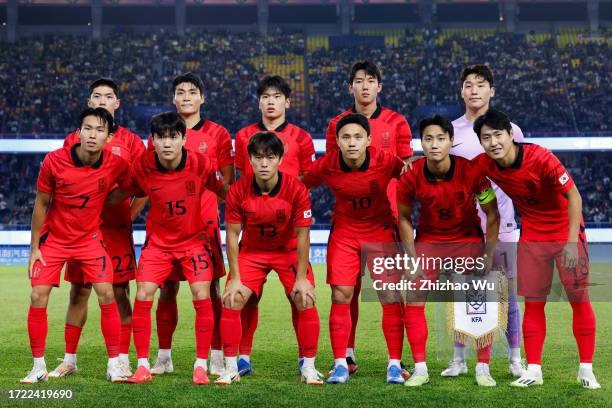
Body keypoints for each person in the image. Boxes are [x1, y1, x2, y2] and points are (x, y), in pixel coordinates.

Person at [473, 109, 599, 389]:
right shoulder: (484, 165)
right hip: (532, 236)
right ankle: (534, 370)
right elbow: (457, 172)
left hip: (565, 231)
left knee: (578, 298)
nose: (493, 142)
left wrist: (570, 243)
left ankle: (586, 370)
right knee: (533, 302)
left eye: (497, 135)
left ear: (510, 135)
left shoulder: (540, 157)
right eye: (486, 137)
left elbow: (574, 195)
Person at [109, 111, 229, 385]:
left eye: (173, 137)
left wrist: (248, 209)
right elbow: (121, 193)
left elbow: (225, 192)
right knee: (144, 294)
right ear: (152, 140)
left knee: (203, 293)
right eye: (160, 137)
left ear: (183, 139)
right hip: (159, 243)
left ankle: (201, 365)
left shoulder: (201, 164)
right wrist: (93, 201)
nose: (166, 143)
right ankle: (142, 366)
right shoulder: (142, 166)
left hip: (194, 241)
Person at [21, 108, 130, 384]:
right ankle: (38, 367)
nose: (93, 135)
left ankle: (114, 364)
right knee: (37, 296)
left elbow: (134, 185)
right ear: (78, 132)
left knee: (108, 293)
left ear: (109, 136)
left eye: (100, 130)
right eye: (88, 128)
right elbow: (41, 203)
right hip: (54, 240)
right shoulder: (54, 161)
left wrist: (107, 199)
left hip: (89, 240)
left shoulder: (115, 164)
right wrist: (34, 248)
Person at [50, 78, 146, 379]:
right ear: (90, 103)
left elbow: (143, 186)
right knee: (78, 293)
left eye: (109, 96)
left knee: (120, 293)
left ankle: (120, 360)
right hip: (80, 233)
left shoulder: (131, 142)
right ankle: (69, 359)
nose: (103, 100)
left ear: (117, 103)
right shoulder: (72, 141)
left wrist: (127, 216)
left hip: (115, 231)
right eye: (97, 96)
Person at [302, 113, 406, 384]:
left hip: (381, 231)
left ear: (369, 140)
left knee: (390, 295)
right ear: (336, 141)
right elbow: (300, 184)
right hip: (345, 233)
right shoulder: (327, 165)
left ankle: (394, 363)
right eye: (346, 137)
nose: (352, 143)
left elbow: (412, 176)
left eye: (358, 137)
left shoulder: (385, 161)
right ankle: (340, 363)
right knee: (341, 295)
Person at [397, 115, 500, 387]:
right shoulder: (411, 175)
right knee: (414, 300)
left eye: (441, 139)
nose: (434, 145)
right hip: (429, 241)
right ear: (421, 143)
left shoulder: (471, 172)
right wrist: (411, 258)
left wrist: (488, 253)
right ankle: (420, 369)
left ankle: (482, 367)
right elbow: (404, 218)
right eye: (428, 139)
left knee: (479, 302)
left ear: (451, 141)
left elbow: (492, 213)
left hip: (467, 240)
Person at [325, 60, 413, 374]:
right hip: (347, 223)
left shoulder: (397, 122)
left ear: (379, 86)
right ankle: (346, 356)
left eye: (371, 80)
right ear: (350, 87)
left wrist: (404, 221)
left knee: (390, 292)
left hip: (384, 223)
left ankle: (395, 361)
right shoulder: (337, 123)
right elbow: (333, 171)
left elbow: (407, 172)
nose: (365, 86)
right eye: (359, 81)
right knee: (346, 291)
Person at [217, 132, 322, 385]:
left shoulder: (296, 189)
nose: (264, 163)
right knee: (233, 297)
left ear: (280, 159)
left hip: (287, 250)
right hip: (252, 251)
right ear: (249, 160)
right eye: (258, 157)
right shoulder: (238, 191)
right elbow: (232, 236)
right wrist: (235, 278)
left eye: (270, 157)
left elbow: (303, 235)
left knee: (304, 296)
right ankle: (231, 366)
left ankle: (308, 366)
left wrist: (301, 278)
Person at [148, 72, 235, 377]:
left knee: (209, 289)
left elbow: (227, 182)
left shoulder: (218, 134)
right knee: (166, 290)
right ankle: (164, 356)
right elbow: (152, 177)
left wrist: (205, 210)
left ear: (202, 98)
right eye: (180, 92)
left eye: (192, 92)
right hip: (164, 230)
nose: (186, 97)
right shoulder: (160, 133)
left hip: (203, 228)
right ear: (174, 98)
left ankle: (215, 354)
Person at [445, 64, 525, 378]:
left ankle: (515, 359)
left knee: (510, 296)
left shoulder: (511, 130)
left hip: (503, 224)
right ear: (461, 91)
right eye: (468, 85)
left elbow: (520, 175)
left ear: (492, 90)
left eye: (481, 85)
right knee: (464, 295)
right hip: (464, 229)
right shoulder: (450, 132)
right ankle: (459, 360)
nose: (474, 90)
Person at [233, 75, 315, 376]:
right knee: (245, 298)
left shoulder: (302, 138)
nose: (271, 101)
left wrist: (286, 203)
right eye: (265, 96)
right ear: (259, 102)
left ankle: (306, 361)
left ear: (287, 102)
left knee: (301, 297)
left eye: (277, 96)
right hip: (254, 233)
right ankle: (241, 358)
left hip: (289, 233)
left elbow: (307, 178)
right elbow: (243, 180)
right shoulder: (243, 136)